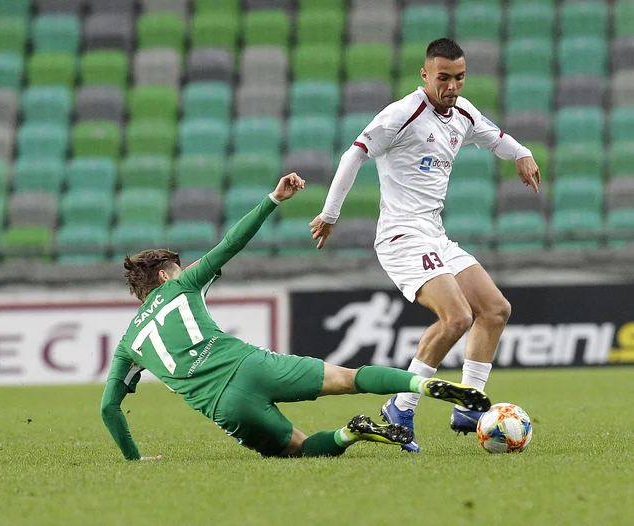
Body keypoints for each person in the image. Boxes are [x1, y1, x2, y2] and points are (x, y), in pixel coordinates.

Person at [101, 173, 491, 460]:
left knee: (299, 450)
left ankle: (350, 434)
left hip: (225, 406)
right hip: (252, 364)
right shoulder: (180, 287)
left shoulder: (128, 343)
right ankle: (421, 387)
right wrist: (273, 198)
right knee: (349, 378)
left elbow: (109, 407)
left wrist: (134, 459)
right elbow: (231, 243)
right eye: (179, 267)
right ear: (166, 275)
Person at [310, 38, 541, 453]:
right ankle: (401, 405)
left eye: (459, 77)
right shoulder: (402, 114)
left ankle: (469, 406)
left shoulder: (463, 112)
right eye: (444, 78)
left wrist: (522, 154)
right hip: (401, 235)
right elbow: (354, 155)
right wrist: (330, 214)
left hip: (434, 233)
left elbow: (495, 137)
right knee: (456, 317)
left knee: (495, 309)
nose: (452, 86)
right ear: (425, 74)